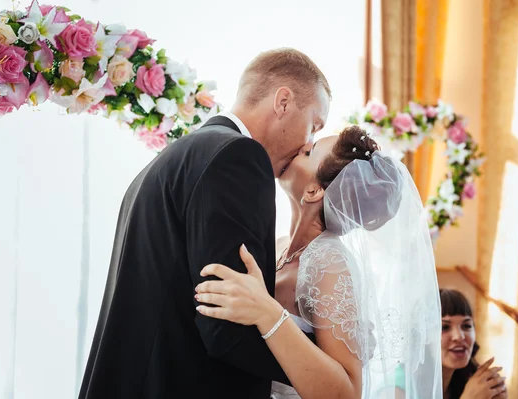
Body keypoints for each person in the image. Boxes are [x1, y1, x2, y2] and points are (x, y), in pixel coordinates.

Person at [78, 48, 331, 399]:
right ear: (283, 102)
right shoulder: (238, 157)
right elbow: (227, 328)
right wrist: (325, 359)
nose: (309, 143)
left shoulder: (170, 158)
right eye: (314, 125)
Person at [195, 126, 443, 398]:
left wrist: (267, 313)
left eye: (310, 151)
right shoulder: (277, 246)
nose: (301, 146)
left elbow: (347, 393)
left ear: (314, 191)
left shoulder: (329, 262)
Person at [376, 289, 507, 398]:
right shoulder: (395, 391)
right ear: (423, 337)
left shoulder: (467, 380)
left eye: (466, 326)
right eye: (444, 327)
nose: (459, 336)